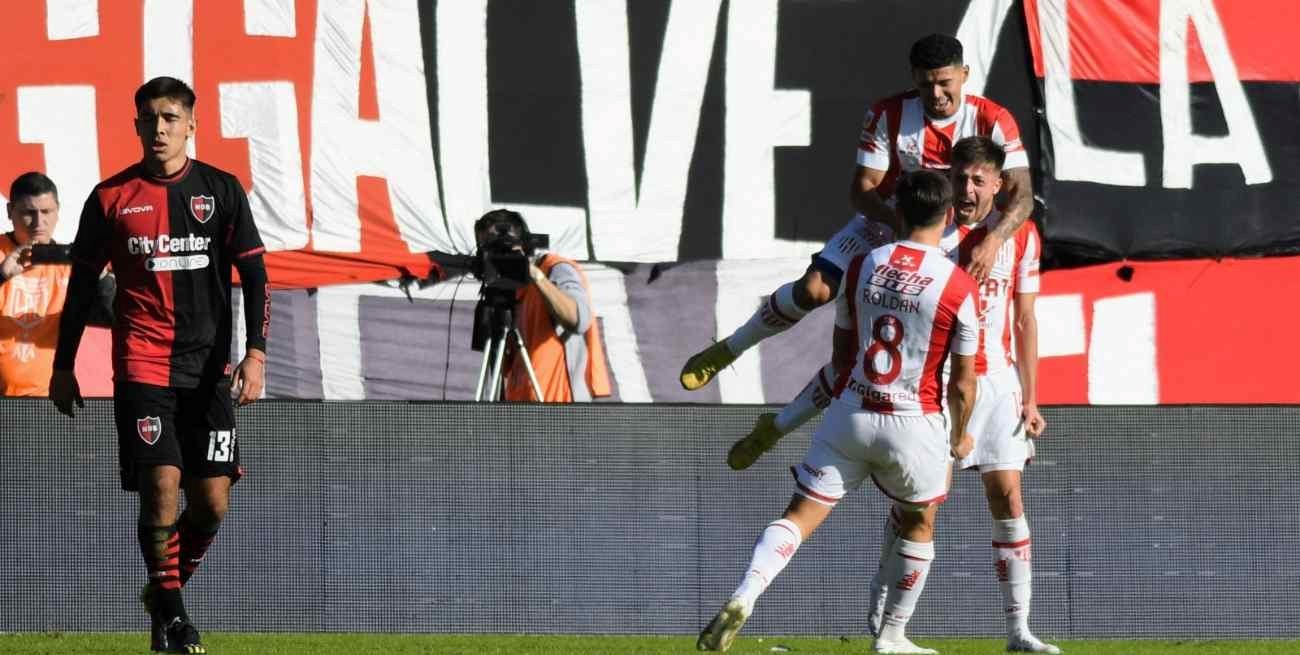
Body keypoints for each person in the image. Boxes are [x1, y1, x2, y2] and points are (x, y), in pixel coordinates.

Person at [680, 33, 1033, 450]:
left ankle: (777, 428)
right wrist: (900, 225)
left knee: (867, 358)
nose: (936, 94)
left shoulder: (993, 119)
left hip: (942, 236)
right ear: (914, 79)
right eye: (926, 84)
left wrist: (993, 241)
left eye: (945, 83)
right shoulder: (889, 114)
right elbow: (863, 191)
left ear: (964, 75)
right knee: (813, 290)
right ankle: (731, 347)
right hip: (887, 222)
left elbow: (1023, 196)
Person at [697, 170, 980, 655]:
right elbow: (963, 382)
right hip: (915, 422)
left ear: (897, 211)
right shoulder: (957, 286)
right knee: (919, 523)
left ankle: (746, 594)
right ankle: (892, 636)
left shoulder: (863, 265)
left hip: (851, 413)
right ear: (949, 214)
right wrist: (960, 435)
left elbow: (842, 355)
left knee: (798, 516)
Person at [50, 76, 270, 655]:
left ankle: (163, 594)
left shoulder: (220, 190)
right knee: (161, 485)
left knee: (213, 503)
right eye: (149, 118)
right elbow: (80, 289)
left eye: (171, 117)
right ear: (136, 126)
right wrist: (63, 364)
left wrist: (255, 352)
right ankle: (175, 617)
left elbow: (255, 275)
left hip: (209, 371)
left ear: (191, 124)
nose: (159, 128)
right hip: (142, 364)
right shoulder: (110, 197)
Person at [909, 135, 1053, 653]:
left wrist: (1032, 399)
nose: (967, 189)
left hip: (997, 384)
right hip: (940, 381)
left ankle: (1019, 631)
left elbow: (1025, 317)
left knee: (1008, 496)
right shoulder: (933, 232)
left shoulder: (1022, 236)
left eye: (977, 180)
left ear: (998, 184)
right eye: (959, 178)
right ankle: (889, 626)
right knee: (922, 505)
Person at [473, 208, 610, 402]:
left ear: (521, 243)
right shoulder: (508, 288)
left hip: (558, 406)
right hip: (521, 407)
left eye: (500, 248)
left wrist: (535, 276)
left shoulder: (555, 269)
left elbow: (578, 320)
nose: (496, 257)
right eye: (487, 249)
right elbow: (503, 364)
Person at [0, 172, 113, 396]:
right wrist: (1, 275)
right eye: (28, 213)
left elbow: (113, 316)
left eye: (46, 212)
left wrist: (100, 276)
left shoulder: (69, 262)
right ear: (10, 211)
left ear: (58, 211)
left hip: (47, 398)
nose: (38, 223)